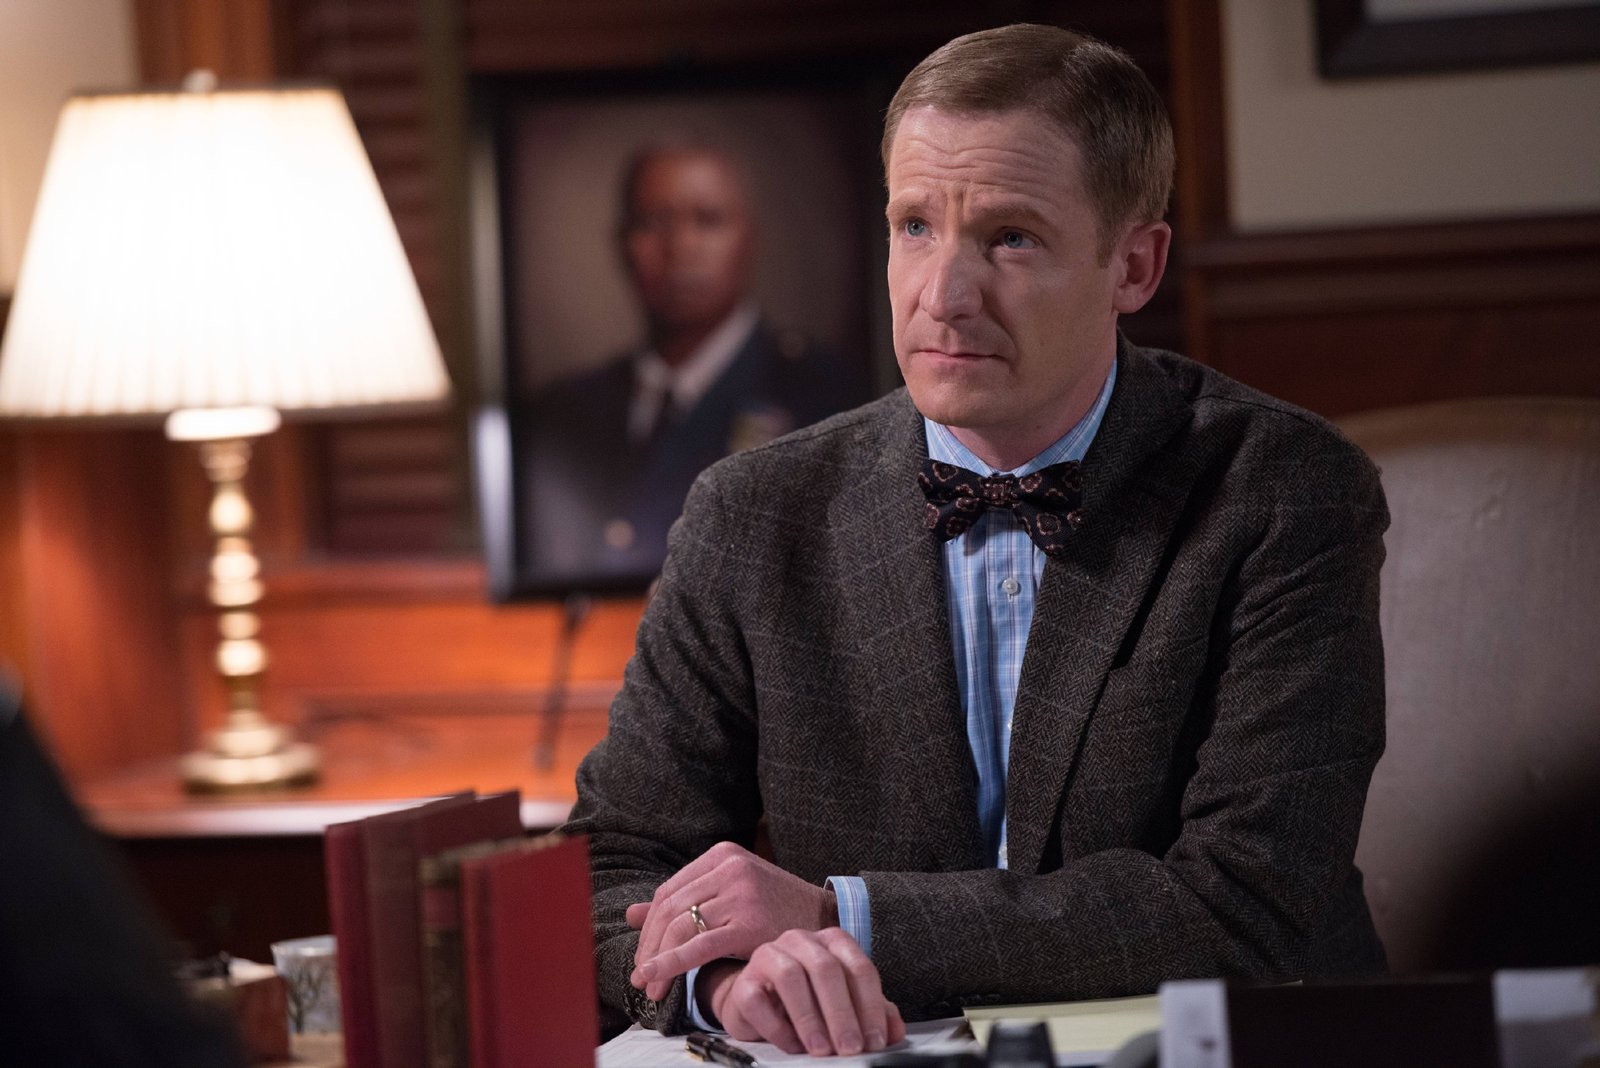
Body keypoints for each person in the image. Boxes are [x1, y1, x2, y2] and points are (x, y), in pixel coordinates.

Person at [564, 22, 1389, 1058]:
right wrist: (725, 978)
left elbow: (1245, 905)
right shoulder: (751, 514)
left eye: (1010, 239)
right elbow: (605, 868)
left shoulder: (1285, 490)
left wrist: (840, 918)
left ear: (1134, 266)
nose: (943, 296)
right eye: (914, 226)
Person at [514, 142, 869, 586]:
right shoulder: (561, 412)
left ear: (750, 240)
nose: (681, 248)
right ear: (621, 244)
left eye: (708, 220)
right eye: (653, 223)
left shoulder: (828, 397)